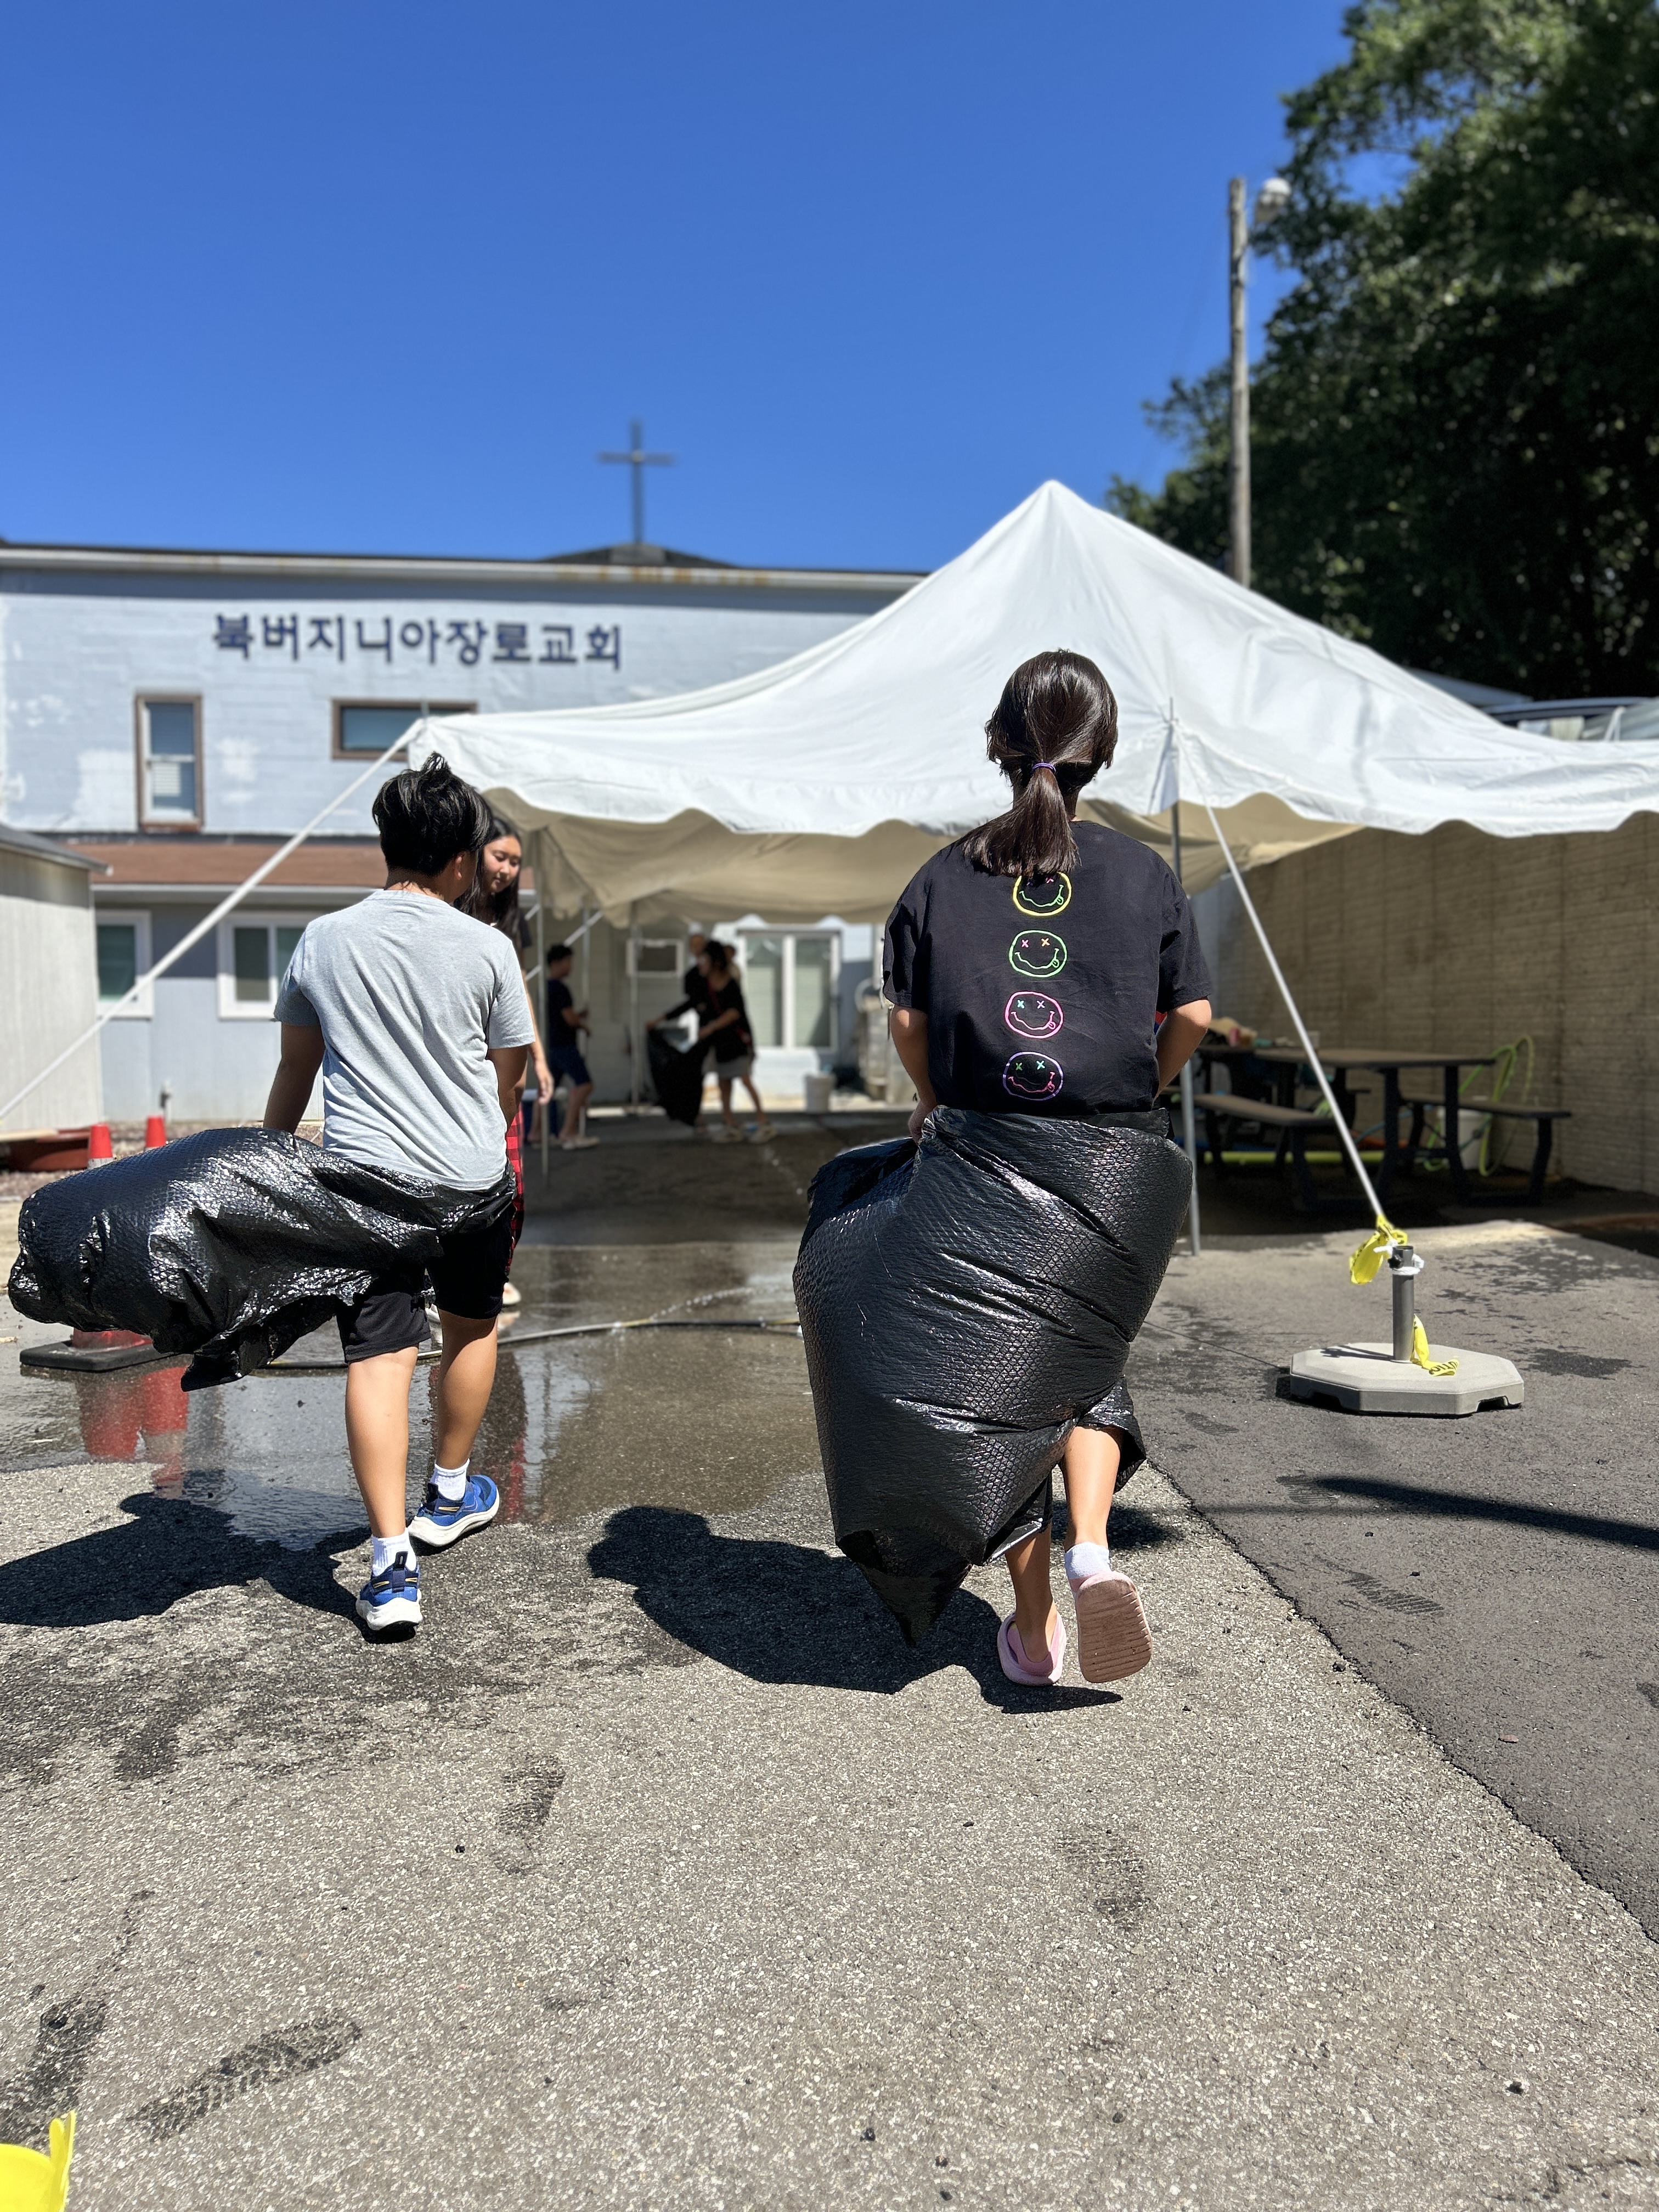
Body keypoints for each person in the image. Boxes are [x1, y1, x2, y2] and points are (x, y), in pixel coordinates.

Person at [883, 648, 1210, 1686]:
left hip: (981, 1157)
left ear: (998, 743)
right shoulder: (1143, 874)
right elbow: (1194, 1012)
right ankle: (1093, 1549)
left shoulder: (943, 876)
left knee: (1002, 1386)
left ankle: (1033, 1631)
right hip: (1112, 1157)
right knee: (1086, 1362)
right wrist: (1145, 1088)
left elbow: (906, 1020)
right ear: (1099, 751)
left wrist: (931, 1098)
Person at [263, 755, 532, 1635]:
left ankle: (389, 1568)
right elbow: (510, 1075)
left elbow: (296, 1072)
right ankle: (449, 1495)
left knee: (378, 1360)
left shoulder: (323, 940)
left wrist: (271, 1161)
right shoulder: (488, 948)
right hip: (470, 1180)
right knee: (471, 1328)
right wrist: (485, 1129)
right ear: (460, 860)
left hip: (367, 1185)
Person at [469, 810, 554, 1305]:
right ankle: (448, 1280)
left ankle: (496, 1271)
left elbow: (519, 994)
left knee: (511, 1183)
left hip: (502, 1065)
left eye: (515, 863)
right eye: (500, 857)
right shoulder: (448, 911)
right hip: (461, 1066)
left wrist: (538, 1058)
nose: (506, 870)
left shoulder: (508, 920)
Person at [697, 940, 774, 1141]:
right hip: (719, 1045)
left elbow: (734, 1013)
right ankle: (730, 1125)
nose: (700, 963)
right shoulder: (705, 986)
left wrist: (711, 1027)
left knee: (745, 1080)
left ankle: (764, 1123)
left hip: (737, 1042)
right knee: (724, 1084)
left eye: (704, 959)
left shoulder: (731, 984)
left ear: (714, 962)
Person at [545, 944, 598, 1149]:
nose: (571, 966)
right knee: (584, 1085)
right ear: (557, 963)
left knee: (548, 1090)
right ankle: (568, 1132)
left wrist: (579, 1016)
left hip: (553, 1044)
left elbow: (561, 1015)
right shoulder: (561, 988)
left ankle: (539, 1133)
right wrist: (584, 1026)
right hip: (565, 1045)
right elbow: (570, 1019)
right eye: (568, 961)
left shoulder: (546, 987)